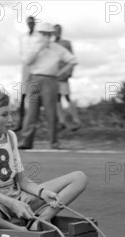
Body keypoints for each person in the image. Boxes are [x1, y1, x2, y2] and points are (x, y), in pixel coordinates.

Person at [0, 90, 87, 233]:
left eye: (10, 113)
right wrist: (13, 204)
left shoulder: (10, 136)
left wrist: (42, 192)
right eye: (4, 115)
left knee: (79, 177)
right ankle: (15, 228)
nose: (11, 120)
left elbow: (21, 180)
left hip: (18, 197)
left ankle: (42, 220)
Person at [20, 22, 77, 150]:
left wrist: (62, 72)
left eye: (48, 34)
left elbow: (73, 60)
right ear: (38, 34)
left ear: (51, 35)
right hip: (34, 79)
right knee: (31, 112)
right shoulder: (32, 47)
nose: (45, 36)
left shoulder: (58, 49)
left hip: (50, 80)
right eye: (42, 33)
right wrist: (39, 49)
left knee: (51, 112)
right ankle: (25, 141)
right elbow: (27, 61)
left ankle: (54, 142)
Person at [54, 24, 81, 131]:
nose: (57, 32)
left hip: (63, 75)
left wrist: (69, 72)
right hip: (54, 76)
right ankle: (61, 121)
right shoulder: (51, 44)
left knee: (67, 97)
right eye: (55, 30)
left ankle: (76, 120)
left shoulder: (66, 43)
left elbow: (72, 58)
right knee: (57, 99)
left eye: (59, 30)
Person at [14, 15, 37, 132]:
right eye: (29, 22)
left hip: (37, 67)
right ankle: (21, 123)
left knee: (35, 96)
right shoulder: (23, 37)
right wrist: (26, 61)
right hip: (26, 66)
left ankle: (31, 123)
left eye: (32, 22)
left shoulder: (39, 36)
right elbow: (21, 52)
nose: (31, 24)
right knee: (23, 95)